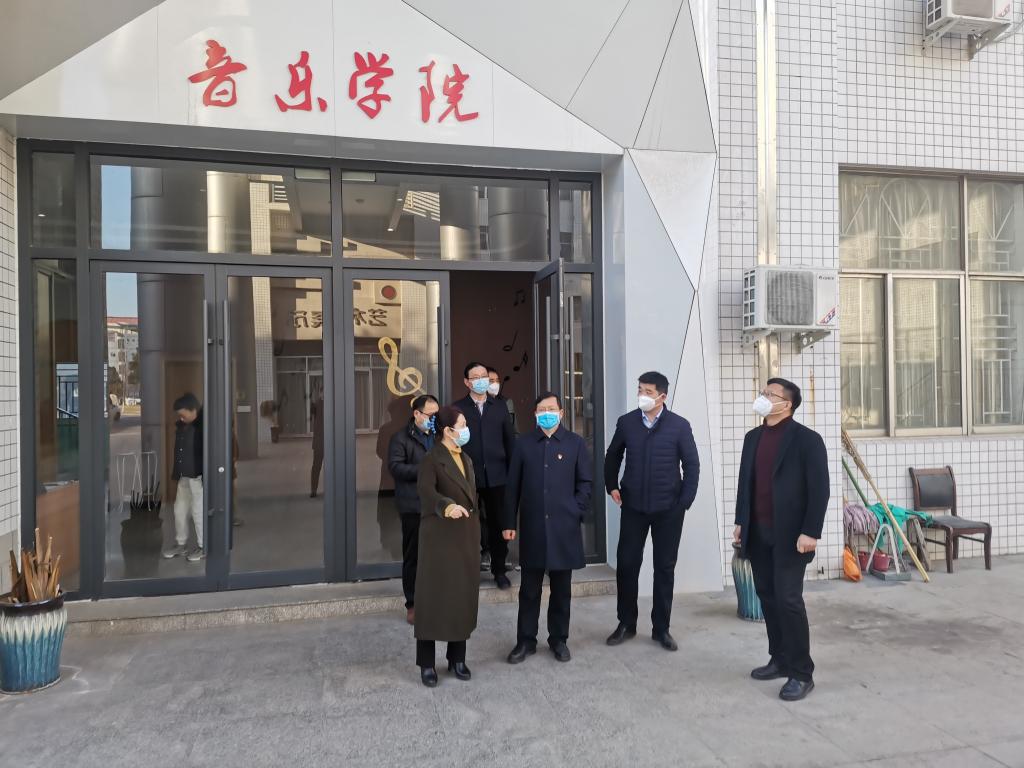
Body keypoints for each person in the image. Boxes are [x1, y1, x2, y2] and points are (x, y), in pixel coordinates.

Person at [733, 378, 829, 702]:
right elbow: (745, 484)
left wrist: (811, 531)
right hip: (758, 531)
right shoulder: (753, 438)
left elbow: (820, 489)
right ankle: (780, 658)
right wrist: (741, 522)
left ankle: (802, 673)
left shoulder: (807, 440)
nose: (762, 397)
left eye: (769, 394)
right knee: (767, 597)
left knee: (788, 600)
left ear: (786, 404)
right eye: (763, 392)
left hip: (792, 536)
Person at [604, 371, 699, 651]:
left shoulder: (679, 426)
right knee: (627, 565)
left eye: (647, 391)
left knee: (664, 568)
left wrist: (684, 502)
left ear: (662, 396)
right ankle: (626, 623)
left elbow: (691, 465)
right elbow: (613, 455)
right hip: (633, 506)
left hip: (669, 509)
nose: (642, 396)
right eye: (640, 390)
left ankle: (661, 629)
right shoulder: (627, 422)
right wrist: (612, 485)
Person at [502, 392, 592, 664]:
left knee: (562, 590)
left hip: (564, 529)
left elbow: (585, 483)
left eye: (551, 409)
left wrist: (575, 509)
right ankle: (525, 641)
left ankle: (559, 639)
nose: (546, 413)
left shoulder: (575, 443)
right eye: (541, 409)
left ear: (562, 413)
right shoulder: (524, 444)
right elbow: (512, 486)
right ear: (535, 414)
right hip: (533, 528)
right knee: (529, 590)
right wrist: (509, 522)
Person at [414, 405, 481, 687]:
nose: (466, 430)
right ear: (447, 430)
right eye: (462, 425)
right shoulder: (432, 459)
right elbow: (426, 492)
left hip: (465, 536)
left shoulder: (466, 458)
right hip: (439, 539)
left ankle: (457, 658)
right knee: (432, 599)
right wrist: (446, 506)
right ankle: (427, 664)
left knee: (460, 597)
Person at [455, 362, 515, 589]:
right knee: (467, 525)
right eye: (476, 377)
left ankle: (499, 570)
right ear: (467, 382)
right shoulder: (458, 408)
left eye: (484, 377)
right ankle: (468, 571)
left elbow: (509, 441)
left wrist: (512, 472)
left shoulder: (499, 406)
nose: (481, 380)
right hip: (468, 476)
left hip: (498, 476)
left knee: (499, 524)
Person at [387, 394, 439, 625]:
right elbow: (395, 467)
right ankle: (413, 603)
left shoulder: (439, 435)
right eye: (430, 414)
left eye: (437, 414)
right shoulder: (401, 438)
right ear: (417, 414)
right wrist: (425, 469)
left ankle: (434, 600)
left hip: (437, 504)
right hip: (413, 505)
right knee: (414, 557)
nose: (434, 419)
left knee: (436, 556)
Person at [162, 393, 205, 563]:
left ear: (193, 410)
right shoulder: (182, 426)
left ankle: (203, 546)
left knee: (198, 511)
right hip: (184, 476)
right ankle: (181, 544)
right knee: (179, 510)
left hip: (198, 477)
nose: (180, 417)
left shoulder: (203, 427)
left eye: (183, 414)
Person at [487, 366, 517, 432]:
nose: (495, 384)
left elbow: (513, 430)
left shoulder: (506, 402)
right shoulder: (476, 403)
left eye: (497, 381)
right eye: (491, 381)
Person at [310, 382, 325, 498]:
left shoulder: (331, 404)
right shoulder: (316, 404)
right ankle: (313, 490)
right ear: (320, 393)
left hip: (325, 442)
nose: (324, 394)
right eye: (323, 392)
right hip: (319, 441)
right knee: (316, 466)